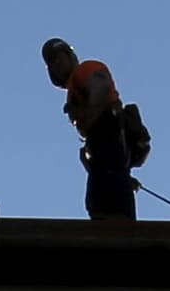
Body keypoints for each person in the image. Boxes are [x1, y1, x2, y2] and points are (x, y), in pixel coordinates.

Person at [41, 36, 137, 222]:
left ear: (69, 56)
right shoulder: (75, 89)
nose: (57, 64)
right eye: (52, 62)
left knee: (104, 204)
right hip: (106, 155)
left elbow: (100, 86)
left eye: (59, 57)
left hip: (108, 143)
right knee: (104, 200)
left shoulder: (85, 70)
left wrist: (92, 119)